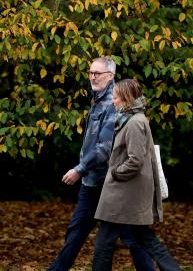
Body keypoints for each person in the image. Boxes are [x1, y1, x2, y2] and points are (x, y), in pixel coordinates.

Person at [47, 57, 155, 271]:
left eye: (98, 73)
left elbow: (105, 148)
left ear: (111, 76)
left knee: (130, 236)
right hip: (93, 180)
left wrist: (79, 169)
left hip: (111, 183)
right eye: (90, 73)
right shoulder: (98, 99)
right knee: (77, 231)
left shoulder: (113, 103)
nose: (92, 77)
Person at [92, 78, 181, 271]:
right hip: (126, 193)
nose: (113, 101)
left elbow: (136, 160)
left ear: (126, 98)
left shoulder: (134, 122)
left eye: (116, 97)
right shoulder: (131, 119)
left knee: (104, 243)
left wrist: (115, 172)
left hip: (124, 194)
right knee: (143, 238)